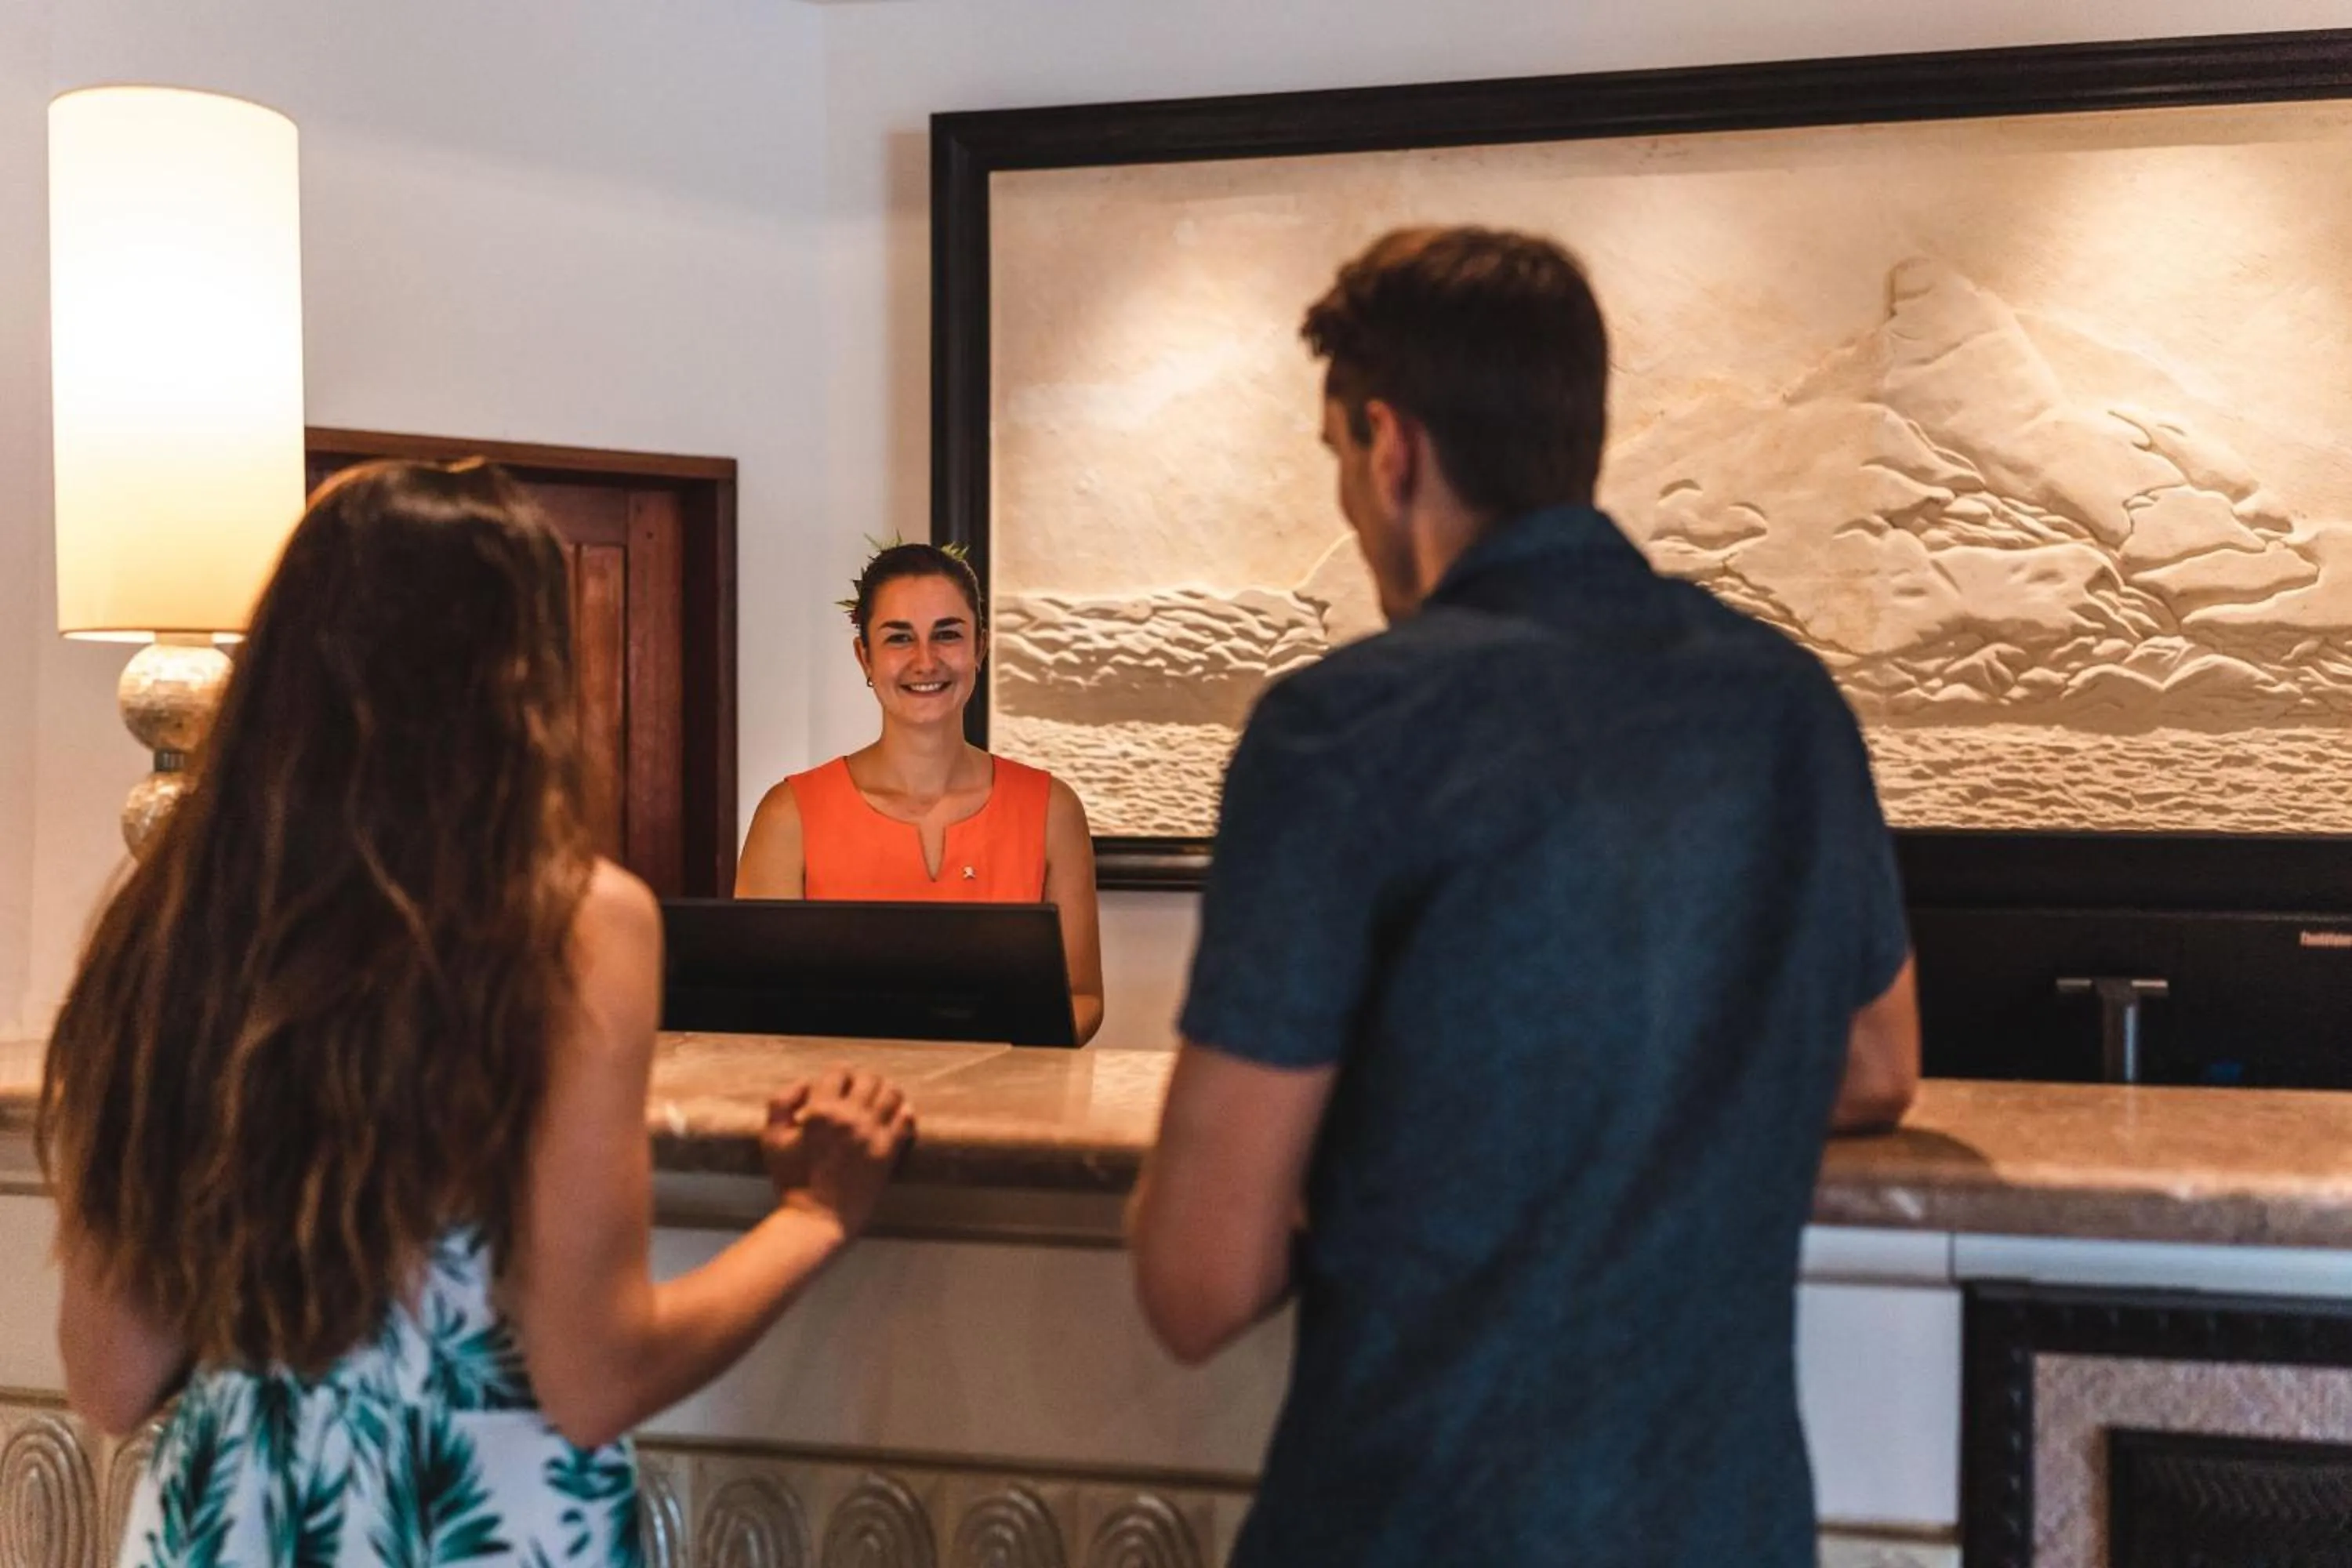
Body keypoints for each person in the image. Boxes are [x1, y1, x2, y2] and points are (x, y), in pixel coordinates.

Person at [1127, 227, 1921, 1566]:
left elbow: (1198, 1281)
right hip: (1719, 1529)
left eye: (1335, 460)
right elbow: (1877, 1063)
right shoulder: (1787, 704)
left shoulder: (1342, 732)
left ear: (1391, 448)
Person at [40, 460, 915, 1566]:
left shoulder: (171, 922)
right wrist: (815, 1217)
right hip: (472, 1527)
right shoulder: (571, 926)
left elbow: (110, 1380)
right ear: (520, 676)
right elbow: (592, 1379)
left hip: (224, 1527)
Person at [735, 542, 1105, 1044]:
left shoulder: (1051, 810)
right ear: (864, 655)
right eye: (899, 639)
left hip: (1007, 1112)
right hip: (844, 1113)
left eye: (948, 635)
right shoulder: (789, 816)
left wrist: (974, 1059)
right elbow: (756, 1003)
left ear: (980, 648)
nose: (925, 661)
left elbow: (1082, 998)